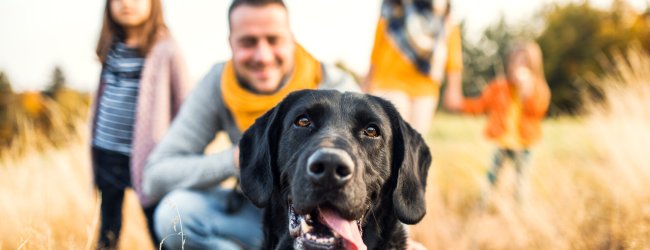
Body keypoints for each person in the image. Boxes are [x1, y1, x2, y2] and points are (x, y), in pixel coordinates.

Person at [142, 0, 360, 249]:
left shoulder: (334, 86)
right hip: (254, 214)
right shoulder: (218, 85)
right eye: (248, 42)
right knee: (176, 214)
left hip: (322, 216)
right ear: (231, 43)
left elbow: (376, 170)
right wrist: (239, 159)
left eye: (273, 40)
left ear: (291, 38)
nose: (263, 56)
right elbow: (155, 176)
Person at [90, 0, 191, 248]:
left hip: (148, 157)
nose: (127, 3)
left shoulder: (166, 47)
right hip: (107, 150)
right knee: (108, 227)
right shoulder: (111, 45)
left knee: (161, 228)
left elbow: (186, 105)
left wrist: (180, 153)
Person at [443, 41, 551, 198]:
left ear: (534, 65)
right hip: (503, 141)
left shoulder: (538, 88)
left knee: (521, 182)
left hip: (525, 144)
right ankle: (482, 206)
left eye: (524, 62)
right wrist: (459, 105)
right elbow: (480, 105)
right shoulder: (498, 87)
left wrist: (526, 92)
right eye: (516, 61)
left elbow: (539, 110)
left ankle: (520, 210)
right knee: (491, 178)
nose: (519, 66)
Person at [365, 0, 463, 135]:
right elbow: (377, 47)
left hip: (426, 88)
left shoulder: (444, 11)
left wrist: (454, 88)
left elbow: (453, 51)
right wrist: (367, 82)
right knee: (393, 137)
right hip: (390, 82)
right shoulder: (393, 6)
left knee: (416, 142)